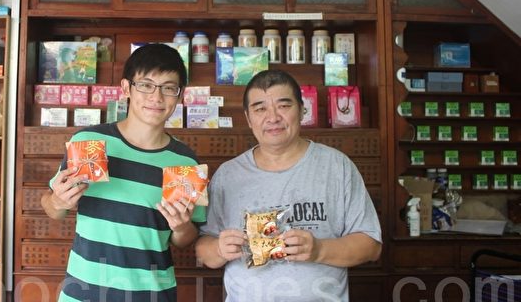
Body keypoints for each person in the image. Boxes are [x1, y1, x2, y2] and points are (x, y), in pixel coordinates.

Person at [195, 69, 382, 302]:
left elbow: (371, 246)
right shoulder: (227, 175)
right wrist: (219, 249)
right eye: (260, 109)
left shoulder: (337, 166)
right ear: (248, 119)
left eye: (284, 106)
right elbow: (203, 249)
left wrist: (319, 250)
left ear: (302, 110)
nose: (273, 117)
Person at [41, 43, 205, 302]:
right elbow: (51, 207)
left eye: (168, 88)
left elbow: (185, 239)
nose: (156, 97)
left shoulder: (185, 162)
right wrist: (58, 201)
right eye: (146, 85)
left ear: (180, 95)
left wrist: (182, 226)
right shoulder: (89, 141)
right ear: (126, 88)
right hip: (83, 294)